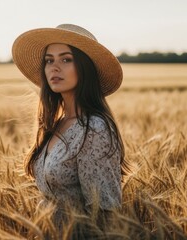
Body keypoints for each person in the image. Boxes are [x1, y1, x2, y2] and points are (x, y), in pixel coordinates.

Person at [12, 24, 130, 235]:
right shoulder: (56, 124)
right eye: (49, 60)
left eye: (66, 59)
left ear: (84, 68)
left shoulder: (94, 129)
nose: (54, 67)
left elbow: (105, 214)